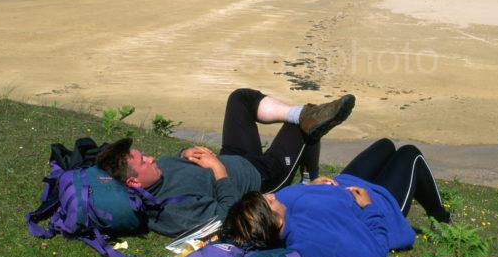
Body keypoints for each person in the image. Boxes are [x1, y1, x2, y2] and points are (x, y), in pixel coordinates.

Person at [95, 88, 355, 236]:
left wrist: (186, 152)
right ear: (134, 182)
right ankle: (310, 183)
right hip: (262, 175)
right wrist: (219, 170)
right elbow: (224, 217)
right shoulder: (169, 210)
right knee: (303, 126)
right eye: (143, 160)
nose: (151, 157)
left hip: (234, 156)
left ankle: (305, 114)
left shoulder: (156, 172)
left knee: (239, 99)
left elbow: (178, 162)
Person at [222, 138, 450, 257]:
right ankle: (442, 220)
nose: (272, 196)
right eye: (268, 201)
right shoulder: (311, 241)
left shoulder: (278, 209)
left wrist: (311, 186)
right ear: (277, 221)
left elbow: (292, 198)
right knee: (410, 154)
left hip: (346, 183)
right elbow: (376, 253)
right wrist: (368, 207)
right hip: (382, 203)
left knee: (385, 145)